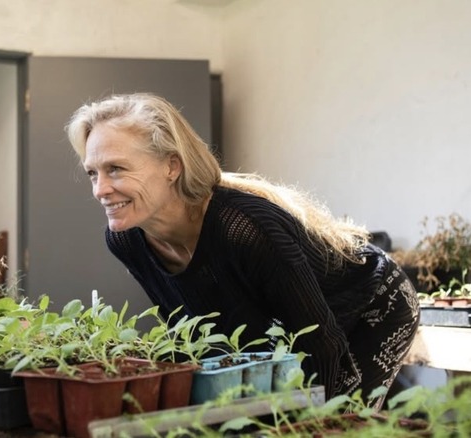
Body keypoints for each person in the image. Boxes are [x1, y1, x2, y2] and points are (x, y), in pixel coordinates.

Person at [66, 92, 420, 407]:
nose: (100, 190)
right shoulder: (127, 239)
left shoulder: (244, 228)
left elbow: (320, 341)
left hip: (375, 304)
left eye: (116, 169)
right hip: (297, 326)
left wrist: (311, 423)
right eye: (93, 173)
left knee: (340, 421)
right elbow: (192, 334)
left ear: (171, 166)